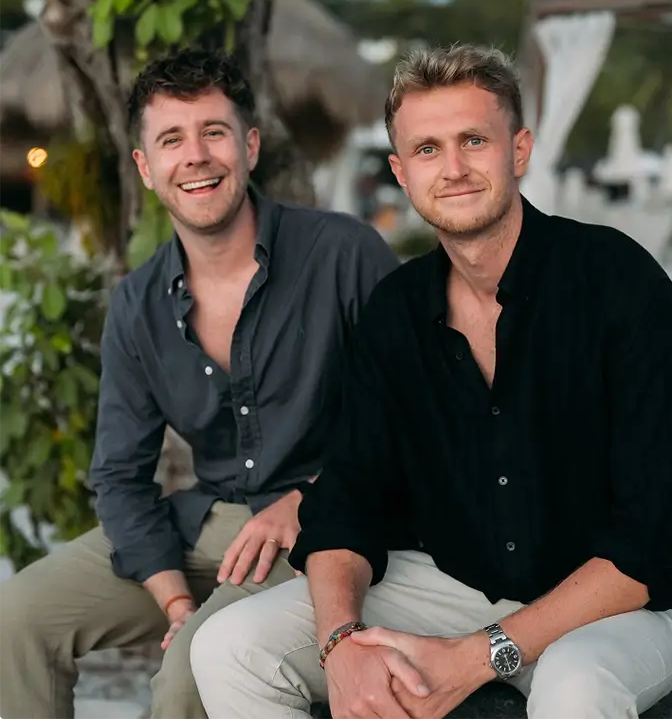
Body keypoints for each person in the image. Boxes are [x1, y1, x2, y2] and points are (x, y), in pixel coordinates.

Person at [190, 43, 672, 719]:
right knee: (230, 646)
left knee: (576, 690)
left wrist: (474, 658)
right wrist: (341, 642)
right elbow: (349, 499)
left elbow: (653, 537)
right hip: (453, 583)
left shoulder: (619, 282)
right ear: (401, 171)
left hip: (614, 600)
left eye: (474, 140)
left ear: (519, 150)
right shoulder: (396, 310)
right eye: (427, 149)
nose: (453, 168)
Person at [0, 47, 399, 719]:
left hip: (325, 528)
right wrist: (174, 599)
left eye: (214, 132)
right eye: (171, 139)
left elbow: (414, 409)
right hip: (206, 524)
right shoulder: (137, 303)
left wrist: (310, 496)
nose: (195, 156)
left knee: (192, 666)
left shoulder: (343, 254)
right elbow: (119, 476)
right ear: (145, 167)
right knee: (16, 619)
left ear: (250, 145)